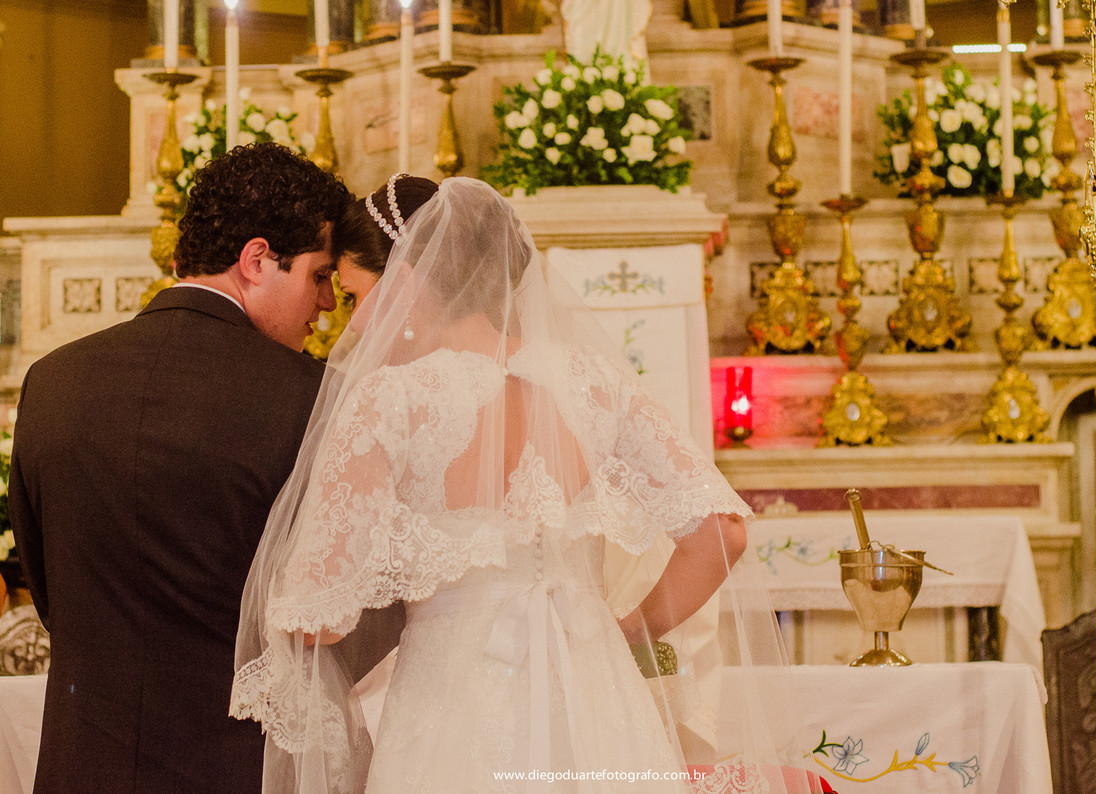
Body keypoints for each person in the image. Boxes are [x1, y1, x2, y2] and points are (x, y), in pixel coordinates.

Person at [232, 176, 818, 793]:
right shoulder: (594, 384)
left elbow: (321, 618)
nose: (352, 321)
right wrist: (627, 628)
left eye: (356, 295)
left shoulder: (391, 401)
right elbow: (722, 535)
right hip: (599, 697)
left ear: (405, 283)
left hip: (452, 714)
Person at [8, 142, 350, 793]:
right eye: (318, 275)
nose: (329, 302)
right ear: (256, 261)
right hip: (232, 766)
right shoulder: (311, 396)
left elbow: (49, 590)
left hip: (82, 766)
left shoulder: (52, 380)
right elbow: (319, 615)